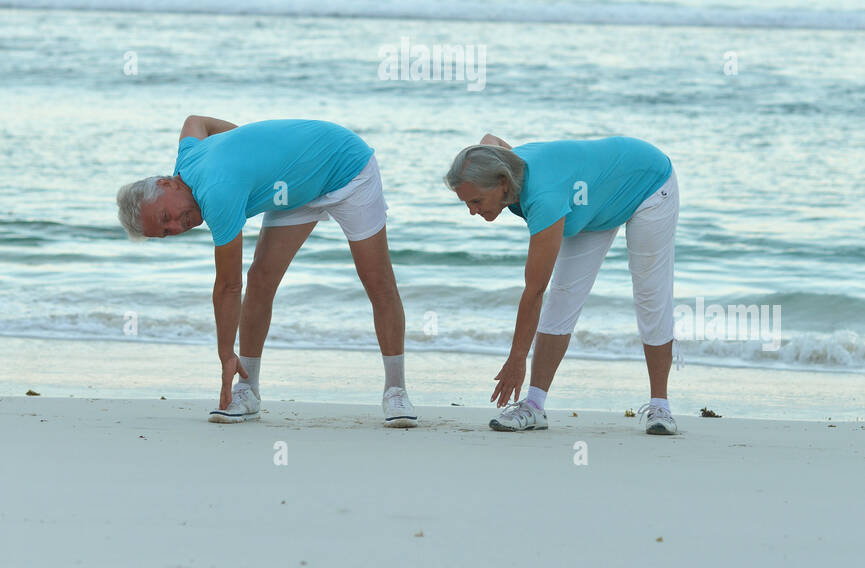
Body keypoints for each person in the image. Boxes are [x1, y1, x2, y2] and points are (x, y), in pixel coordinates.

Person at [117, 116, 416, 427]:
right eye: (166, 232)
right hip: (294, 188)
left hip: (346, 167)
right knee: (260, 280)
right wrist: (251, 153)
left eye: (167, 215)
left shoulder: (217, 192)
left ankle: (396, 390)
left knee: (377, 279)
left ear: (166, 183)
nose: (178, 227)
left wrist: (225, 354)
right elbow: (195, 122)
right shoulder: (188, 158)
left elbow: (228, 286)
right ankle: (248, 390)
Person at [444, 133, 679, 435]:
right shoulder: (506, 165)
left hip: (646, 181)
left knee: (650, 293)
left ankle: (660, 406)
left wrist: (517, 360)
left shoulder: (544, 197)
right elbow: (491, 139)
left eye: (476, 201)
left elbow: (533, 291)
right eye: (466, 203)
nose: (472, 211)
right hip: (589, 201)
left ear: (503, 182)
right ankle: (534, 406)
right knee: (563, 296)